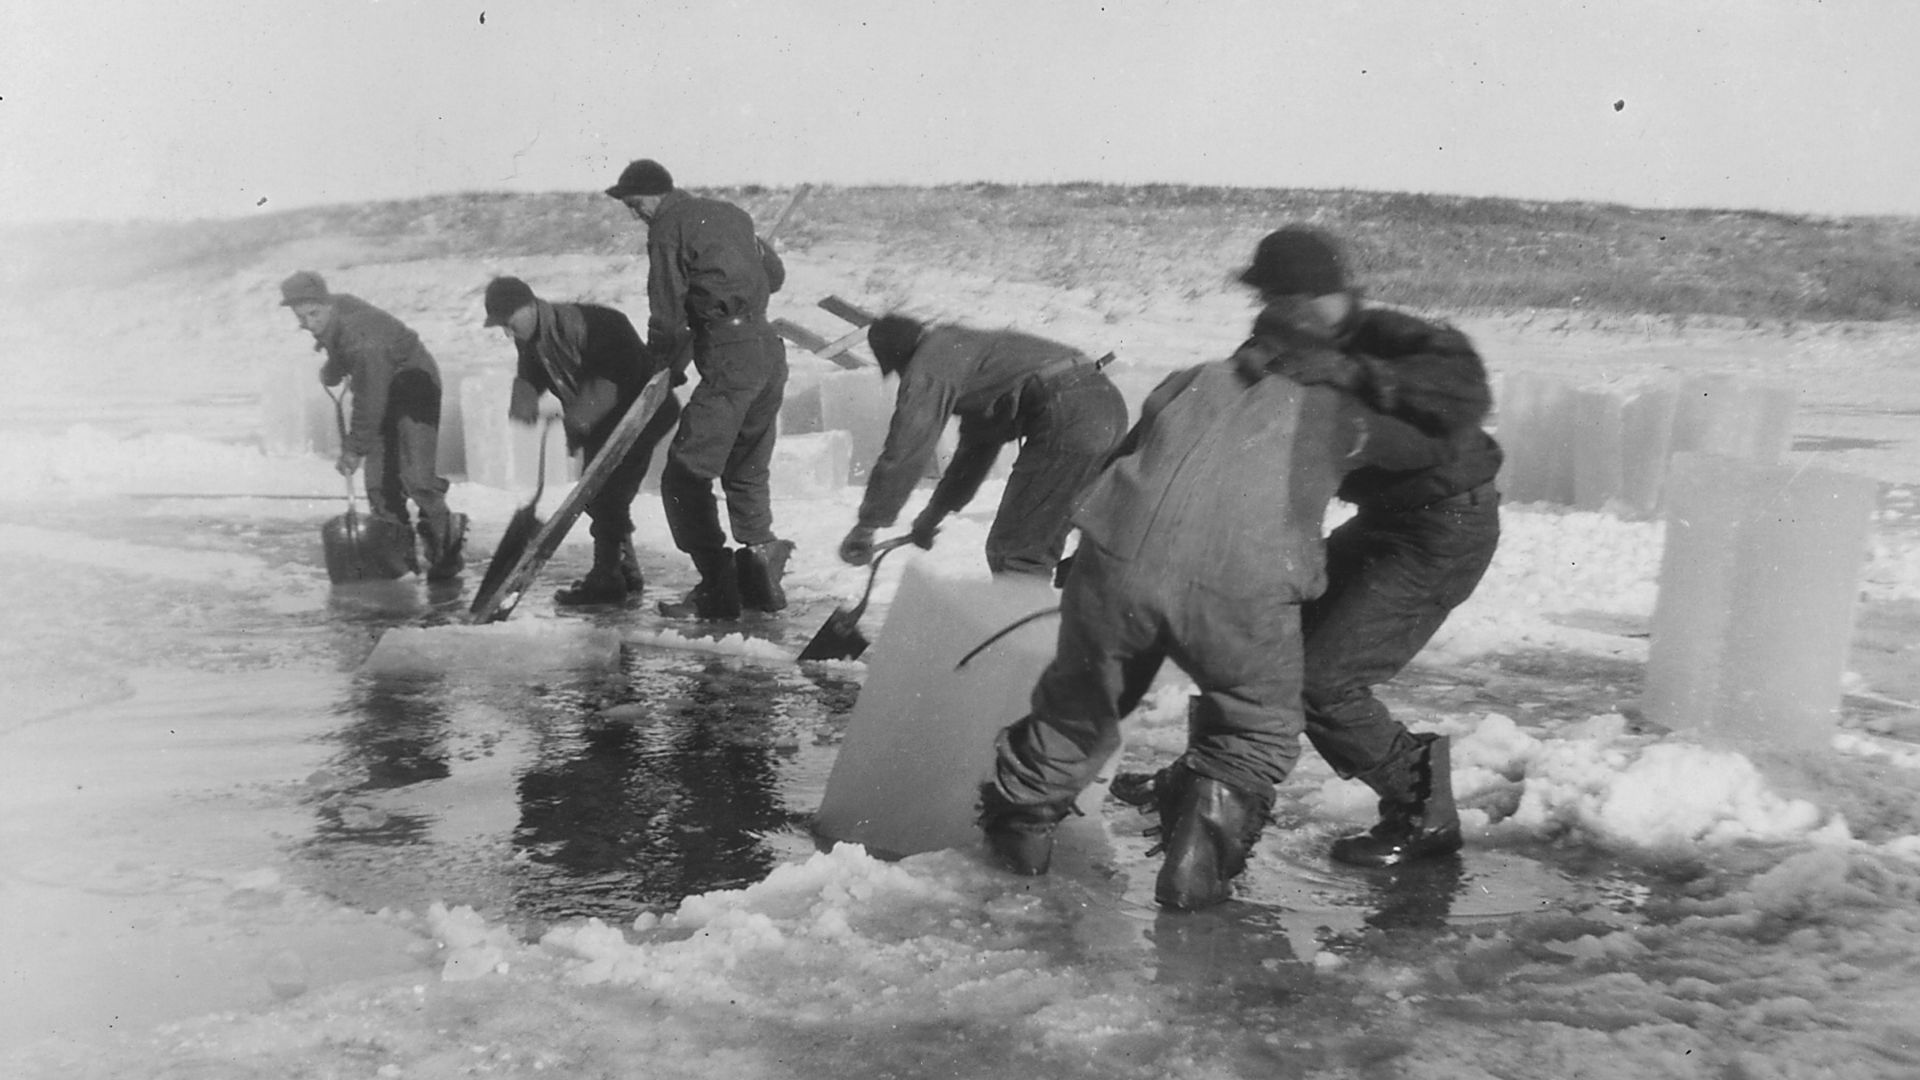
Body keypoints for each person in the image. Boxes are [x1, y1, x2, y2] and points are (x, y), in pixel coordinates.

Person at [976, 285, 1458, 911]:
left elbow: (1124, 462)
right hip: (1239, 582)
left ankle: (1017, 848)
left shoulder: (1191, 378)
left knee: (1080, 704)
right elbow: (1429, 457)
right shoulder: (1338, 407)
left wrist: (1092, 557)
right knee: (1254, 726)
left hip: (1116, 559)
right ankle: (1194, 872)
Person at [1113, 228, 1504, 871]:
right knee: (1252, 645)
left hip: (1443, 529)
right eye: (1266, 297)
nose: (1270, 307)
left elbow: (1464, 395)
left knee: (1325, 683)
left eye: (1280, 295)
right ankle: (1204, 779)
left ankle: (1422, 811)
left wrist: (1355, 373)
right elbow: (1220, 431)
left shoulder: (1394, 336)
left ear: (1324, 294)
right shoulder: (1280, 344)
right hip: (1381, 521)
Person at [606, 158, 792, 620]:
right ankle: (760, 565)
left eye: (635, 204)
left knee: (684, 475)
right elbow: (775, 276)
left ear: (655, 194)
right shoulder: (731, 214)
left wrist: (660, 363)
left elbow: (667, 310)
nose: (635, 213)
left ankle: (717, 585)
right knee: (746, 465)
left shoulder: (667, 227)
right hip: (767, 347)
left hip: (729, 355)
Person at [836, 317, 1129, 578]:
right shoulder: (969, 353)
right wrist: (934, 514)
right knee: (1039, 541)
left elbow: (907, 448)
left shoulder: (929, 364)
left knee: (1016, 552)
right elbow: (977, 449)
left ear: (899, 358)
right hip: (1105, 406)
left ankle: (1023, 622)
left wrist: (867, 524)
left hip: (1068, 413)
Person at [482, 276, 681, 606]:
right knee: (599, 498)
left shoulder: (593, 324)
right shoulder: (530, 336)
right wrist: (523, 408)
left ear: (529, 306)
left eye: (508, 322)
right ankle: (622, 571)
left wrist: (571, 426)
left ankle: (608, 578)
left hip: (642, 412)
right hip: (603, 420)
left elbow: (610, 384)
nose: (507, 332)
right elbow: (529, 375)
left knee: (605, 495)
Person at [281, 270, 466, 581]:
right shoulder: (338, 315)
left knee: (416, 478)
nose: (309, 324)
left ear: (327, 304)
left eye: (314, 315)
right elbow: (347, 353)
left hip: (414, 387)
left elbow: (370, 398)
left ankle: (446, 553)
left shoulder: (363, 340)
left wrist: (354, 449)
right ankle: (400, 562)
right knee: (379, 484)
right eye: (302, 318)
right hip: (382, 385)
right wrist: (334, 365)